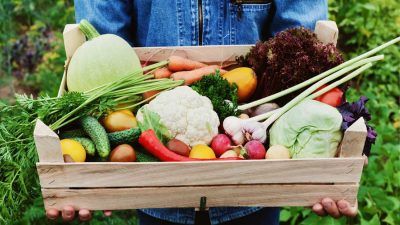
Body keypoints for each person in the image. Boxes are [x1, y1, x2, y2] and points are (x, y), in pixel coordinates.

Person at [47, 0, 363, 224]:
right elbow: (101, 42)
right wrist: (89, 180)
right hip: (155, 190)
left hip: (256, 186)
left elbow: (300, 41)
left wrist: (321, 174)